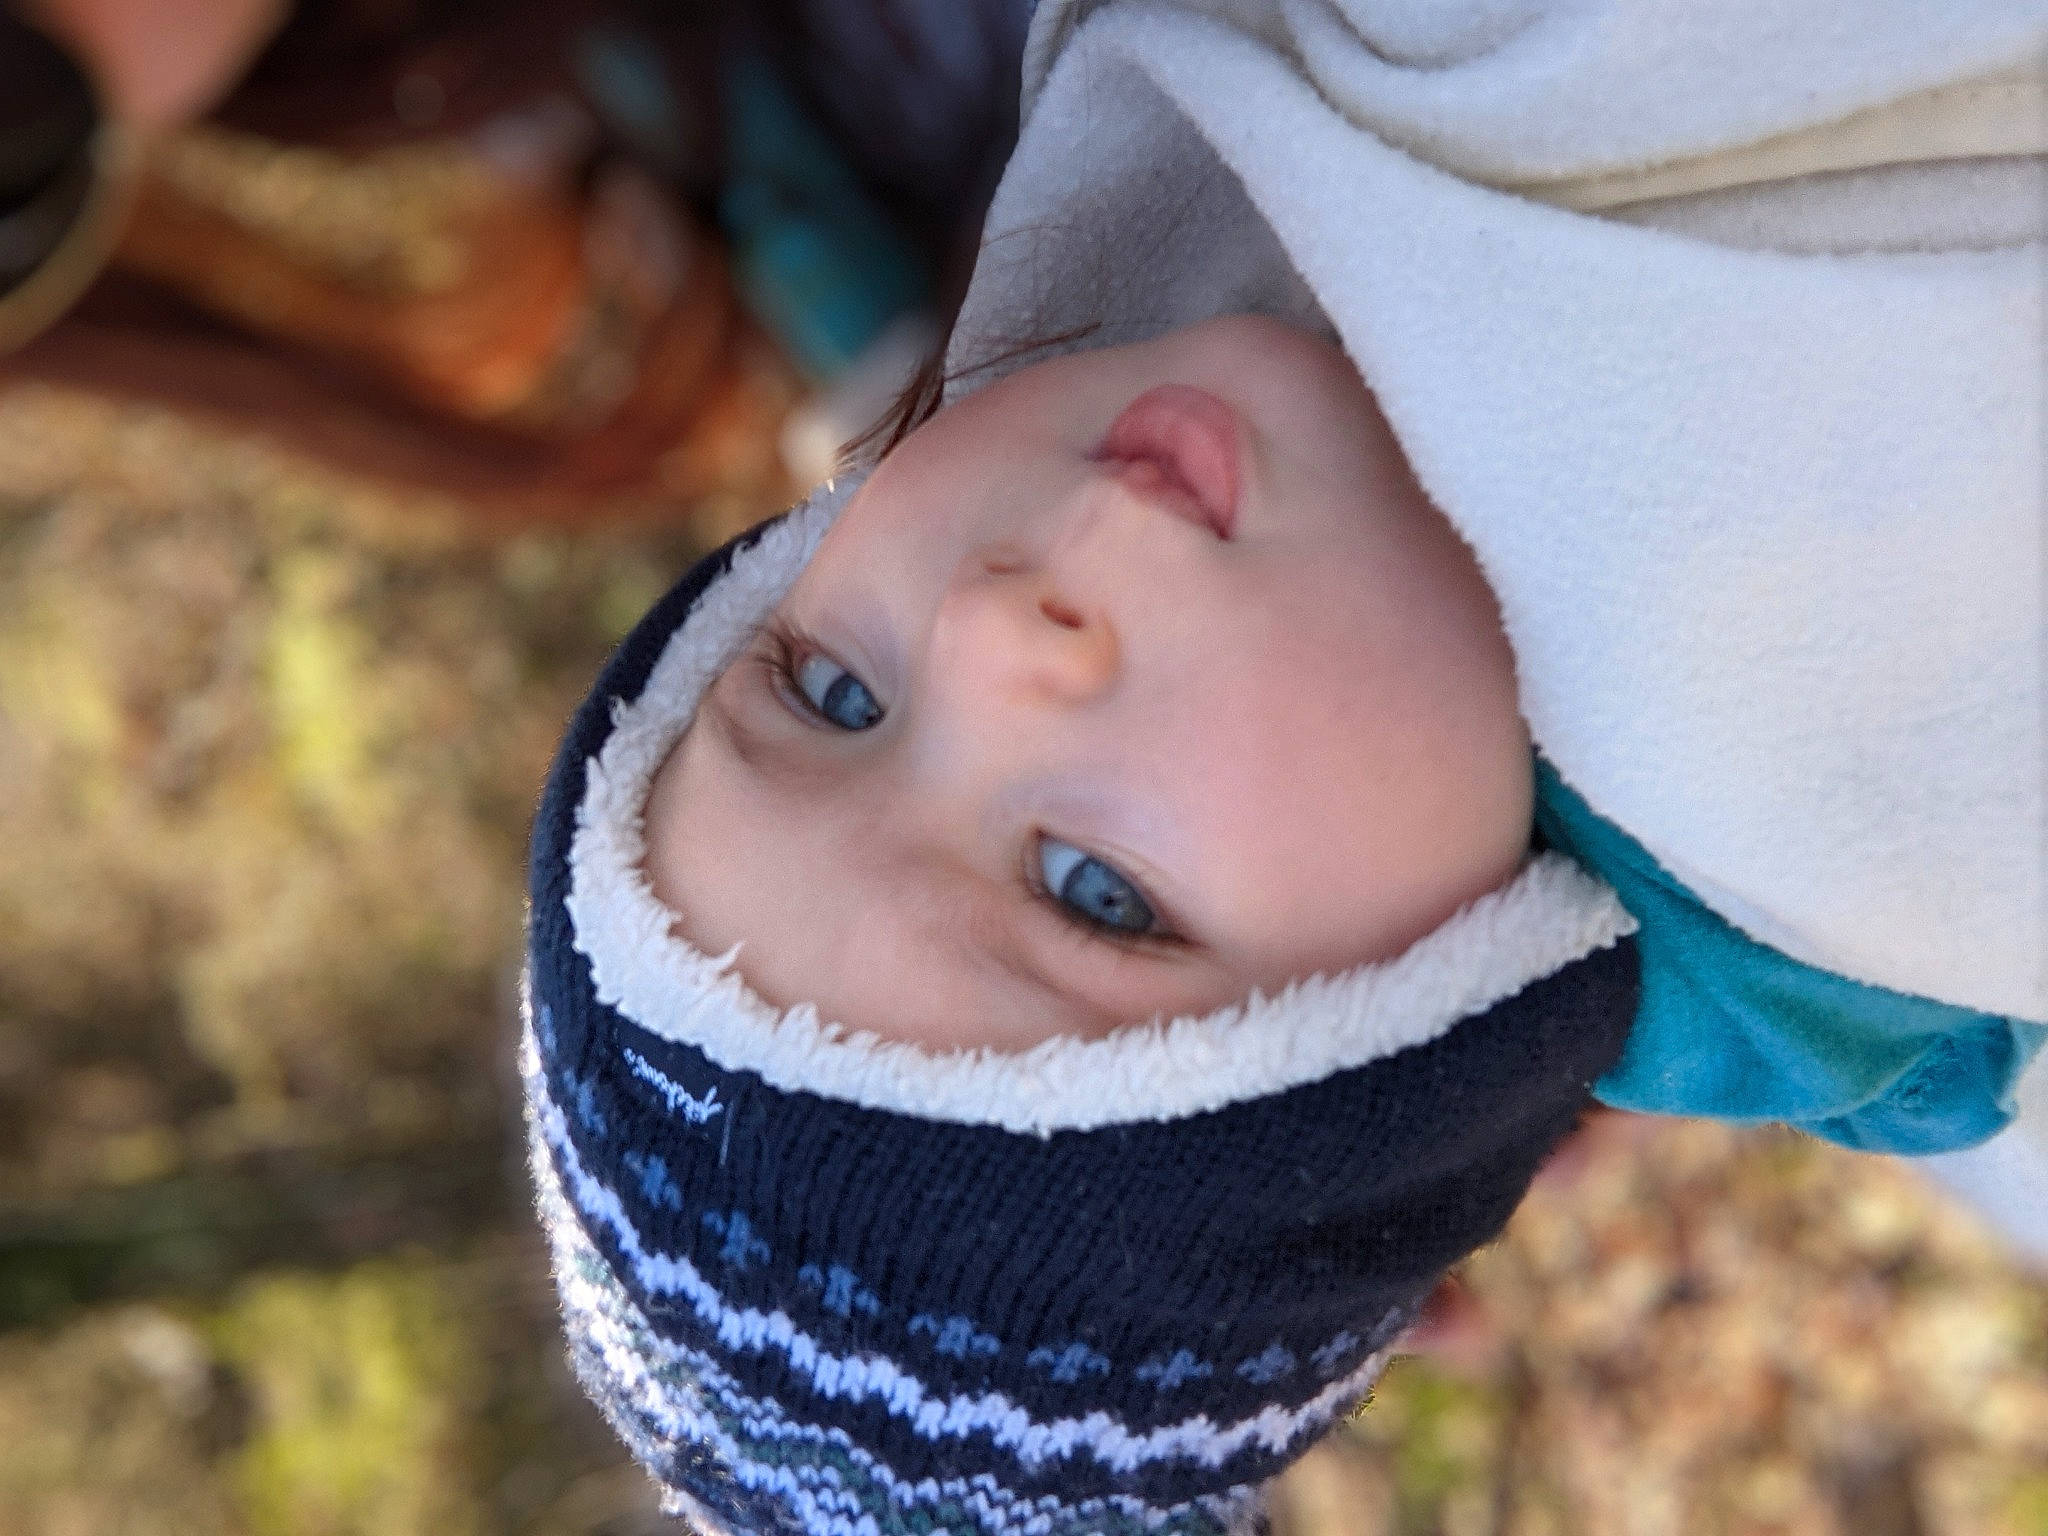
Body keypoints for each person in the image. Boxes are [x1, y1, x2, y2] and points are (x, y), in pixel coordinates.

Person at [522, 1, 2046, 1531]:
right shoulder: (1861, 702)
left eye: (836, 694)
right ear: (1418, 1034)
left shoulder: (1213, 162)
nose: (993, 636)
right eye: (1092, 890)